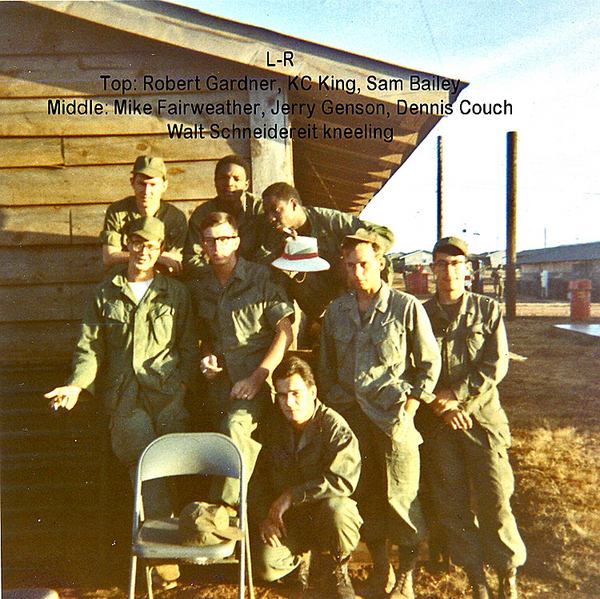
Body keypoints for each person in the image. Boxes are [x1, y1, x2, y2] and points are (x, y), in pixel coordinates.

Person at [46, 216, 198, 587]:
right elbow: (89, 348)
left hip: (168, 395)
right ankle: (166, 567)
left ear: (161, 251)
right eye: (137, 244)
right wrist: (78, 385)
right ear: (127, 246)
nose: (143, 251)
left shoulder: (175, 293)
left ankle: (162, 555)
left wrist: (181, 387)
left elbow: (188, 347)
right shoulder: (104, 292)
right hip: (124, 398)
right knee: (145, 463)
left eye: (151, 246)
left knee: (169, 469)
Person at [319, 229, 441, 599]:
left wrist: (413, 404)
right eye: (351, 265)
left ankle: (406, 575)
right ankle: (381, 567)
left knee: (401, 498)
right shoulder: (336, 311)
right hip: (350, 419)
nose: (358, 272)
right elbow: (325, 369)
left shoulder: (406, 307)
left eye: (365, 265)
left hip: (393, 418)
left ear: (381, 264)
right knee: (364, 493)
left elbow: (428, 364)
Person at [420, 236, 526, 599]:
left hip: (481, 420)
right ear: (431, 269)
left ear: (467, 270)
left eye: (456, 264)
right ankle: (475, 575)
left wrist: (458, 400)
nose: (448, 271)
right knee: (450, 504)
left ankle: (506, 573)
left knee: (496, 498)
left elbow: (495, 364)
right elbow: (409, 366)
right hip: (439, 424)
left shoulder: (487, 309)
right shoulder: (418, 313)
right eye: (441, 264)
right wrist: (438, 405)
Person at [188, 211, 294, 507]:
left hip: (260, 384)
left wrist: (258, 377)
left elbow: (285, 333)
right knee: (225, 449)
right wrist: (207, 357)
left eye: (224, 239)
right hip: (220, 388)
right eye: (210, 241)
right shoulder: (202, 287)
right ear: (202, 245)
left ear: (236, 241)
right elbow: (206, 336)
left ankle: (220, 512)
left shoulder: (261, 278)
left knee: (236, 428)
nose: (217, 247)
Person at [249, 356, 363, 599]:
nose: (289, 402)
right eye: (281, 395)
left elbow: (343, 480)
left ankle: (337, 566)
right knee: (266, 565)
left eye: (296, 393)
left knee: (340, 511)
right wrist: (264, 519)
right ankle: (301, 561)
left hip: (323, 516)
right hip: (289, 523)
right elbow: (255, 480)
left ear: (312, 392)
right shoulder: (271, 427)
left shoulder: (333, 426)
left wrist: (292, 495)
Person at [260, 182, 395, 322]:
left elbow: (385, 235)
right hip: (320, 298)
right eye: (267, 212)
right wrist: (283, 256)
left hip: (352, 283)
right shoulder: (275, 234)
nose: (270, 218)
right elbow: (262, 263)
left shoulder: (329, 220)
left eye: (275, 210)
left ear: (294, 204)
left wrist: (351, 254)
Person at [100, 155, 187, 276]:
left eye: (153, 185)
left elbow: (173, 263)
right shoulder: (117, 212)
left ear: (164, 186)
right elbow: (109, 258)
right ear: (132, 183)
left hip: (161, 279)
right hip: (124, 277)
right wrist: (158, 257)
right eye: (141, 183)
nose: (146, 191)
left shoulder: (175, 217)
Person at [183, 155, 263, 279]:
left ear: (246, 184)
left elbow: (269, 251)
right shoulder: (203, 213)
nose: (229, 183)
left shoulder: (258, 209)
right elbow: (192, 257)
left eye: (236, 179)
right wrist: (219, 276)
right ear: (215, 181)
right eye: (223, 178)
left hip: (253, 278)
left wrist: (247, 275)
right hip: (214, 279)